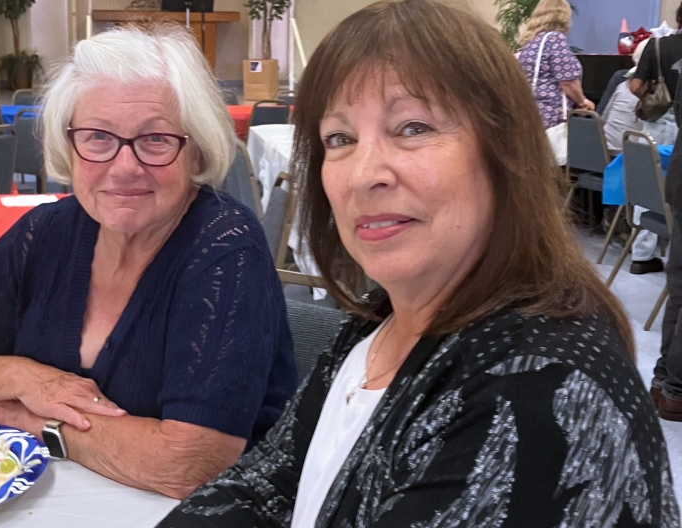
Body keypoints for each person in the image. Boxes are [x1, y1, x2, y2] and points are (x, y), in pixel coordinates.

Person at [158, 1, 679, 526]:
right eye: (340, 138)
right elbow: (263, 486)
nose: (363, 174)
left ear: (504, 153)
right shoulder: (380, 322)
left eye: (413, 127)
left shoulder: (538, 389)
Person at [0, 26, 298, 499]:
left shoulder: (225, 247)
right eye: (97, 137)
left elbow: (192, 465)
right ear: (68, 146)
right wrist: (21, 377)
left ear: (197, 152)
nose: (124, 167)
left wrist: (40, 423)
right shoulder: (47, 231)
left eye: (156, 139)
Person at [636, 1, 682, 421]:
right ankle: (675, 389)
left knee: (678, 285)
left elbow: (639, 87)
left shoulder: (661, 48)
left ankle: (664, 383)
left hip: (677, 169)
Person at [602, 39, 664, 275]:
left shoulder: (621, 84)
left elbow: (603, 116)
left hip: (607, 150)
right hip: (631, 155)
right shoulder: (656, 101)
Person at [518, 0, 594, 130]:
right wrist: (582, 102)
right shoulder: (555, 39)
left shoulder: (531, 42)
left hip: (533, 111)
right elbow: (567, 82)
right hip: (552, 114)